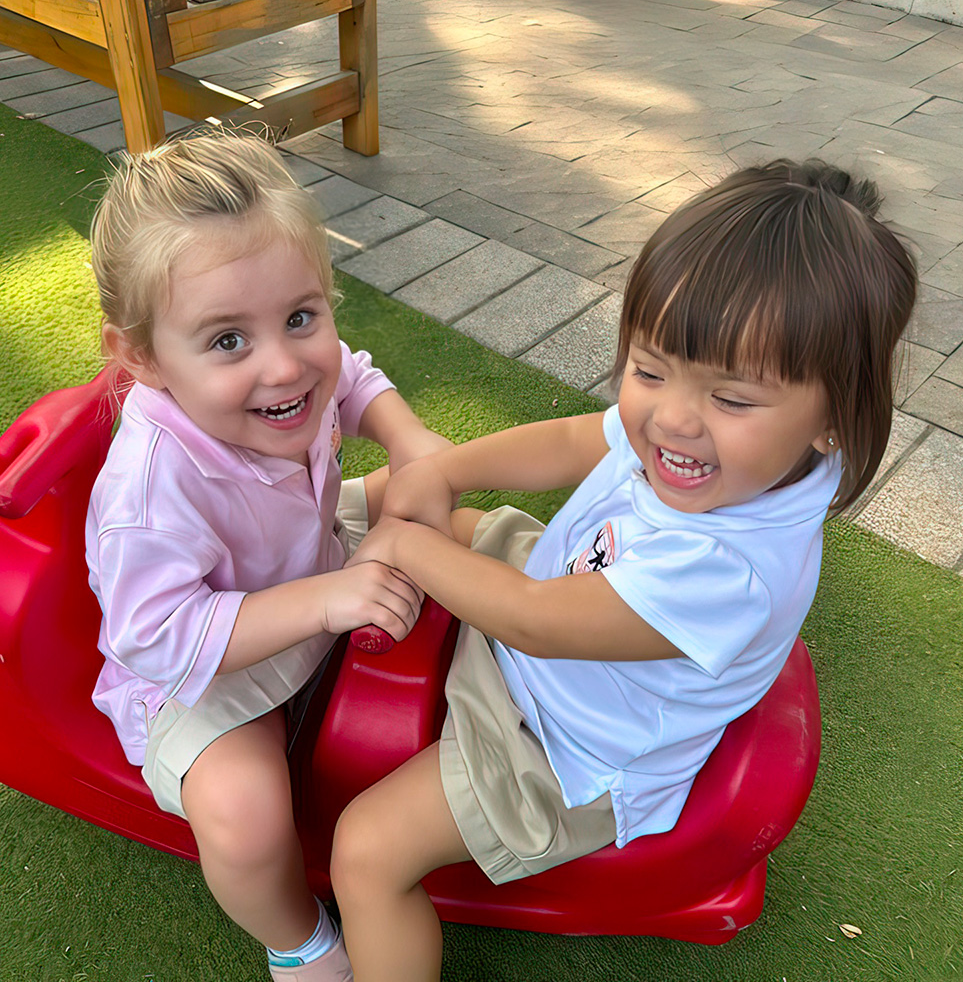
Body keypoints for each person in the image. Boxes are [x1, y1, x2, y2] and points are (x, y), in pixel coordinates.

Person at [328, 159, 918, 981]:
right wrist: (446, 471)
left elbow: (534, 620)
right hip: (560, 588)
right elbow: (577, 439)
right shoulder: (699, 439)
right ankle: (305, 526)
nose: (671, 417)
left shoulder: (731, 567)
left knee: (365, 851)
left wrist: (406, 545)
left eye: (733, 400)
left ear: (834, 419)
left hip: (563, 741)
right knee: (410, 504)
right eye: (649, 370)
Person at [85, 131, 449, 982]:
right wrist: (327, 602)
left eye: (300, 317)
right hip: (204, 672)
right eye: (226, 342)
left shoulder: (291, 380)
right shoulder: (148, 492)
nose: (285, 365)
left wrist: (412, 440)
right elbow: (155, 635)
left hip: (312, 566)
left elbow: (349, 377)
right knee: (244, 816)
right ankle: (301, 941)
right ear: (139, 358)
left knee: (454, 526)